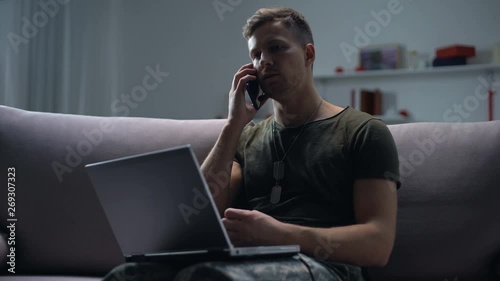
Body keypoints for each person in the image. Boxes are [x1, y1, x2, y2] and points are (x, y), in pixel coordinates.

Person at [103, 7, 400, 281]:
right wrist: (233, 125)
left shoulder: (363, 131)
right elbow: (195, 215)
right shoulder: (247, 138)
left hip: (327, 268)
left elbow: (378, 245)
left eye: (276, 48)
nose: (264, 62)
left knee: (208, 276)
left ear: (309, 54)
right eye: (255, 54)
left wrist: (279, 234)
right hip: (246, 263)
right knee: (129, 274)